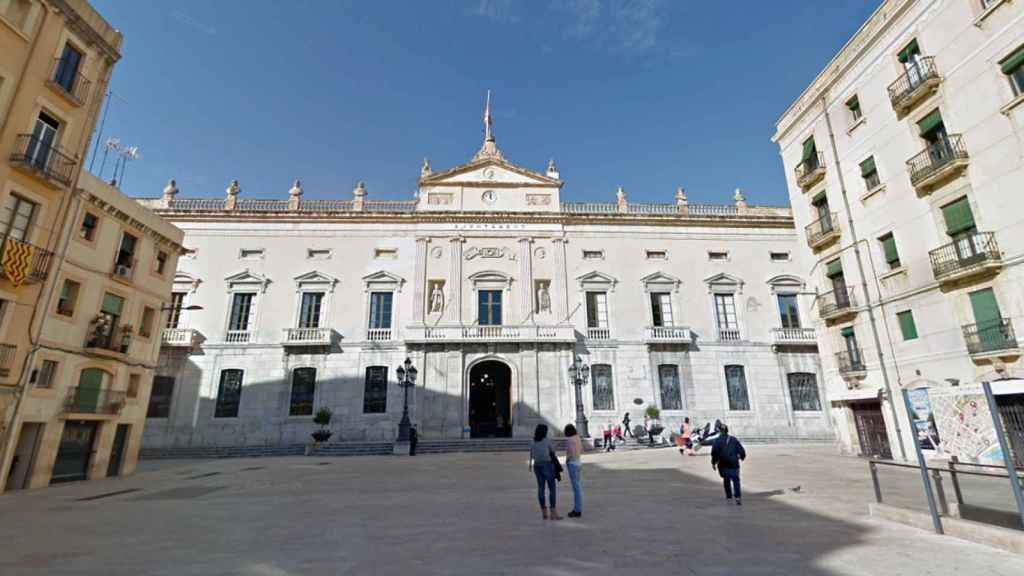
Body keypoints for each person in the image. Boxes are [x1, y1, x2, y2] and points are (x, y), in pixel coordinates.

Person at [529, 424, 562, 520]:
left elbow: (532, 453)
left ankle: (544, 512)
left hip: (537, 466)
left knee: (541, 488)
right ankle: (553, 513)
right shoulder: (546, 441)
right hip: (547, 465)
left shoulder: (532, 441)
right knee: (552, 488)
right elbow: (552, 452)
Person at [710, 424, 747, 506]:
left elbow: (714, 453)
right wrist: (742, 456)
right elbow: (741, 450)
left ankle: (729, 495)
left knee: (726, 479)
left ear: (719, 431)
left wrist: (713, 463)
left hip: (723, 463)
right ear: (727, 430)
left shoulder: (717, 440)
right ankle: (737, 497)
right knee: (736, 480)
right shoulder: (733, 439)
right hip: (734, 463)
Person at [563, 423, 583, 518]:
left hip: (572, 463)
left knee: (576, 488)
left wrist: (567, 460)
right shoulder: (577, 437)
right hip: (578, 463)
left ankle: (577, 509)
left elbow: (570, 452)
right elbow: (581, 449)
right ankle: (577, 508)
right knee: (578, 486)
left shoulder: (569, 440)